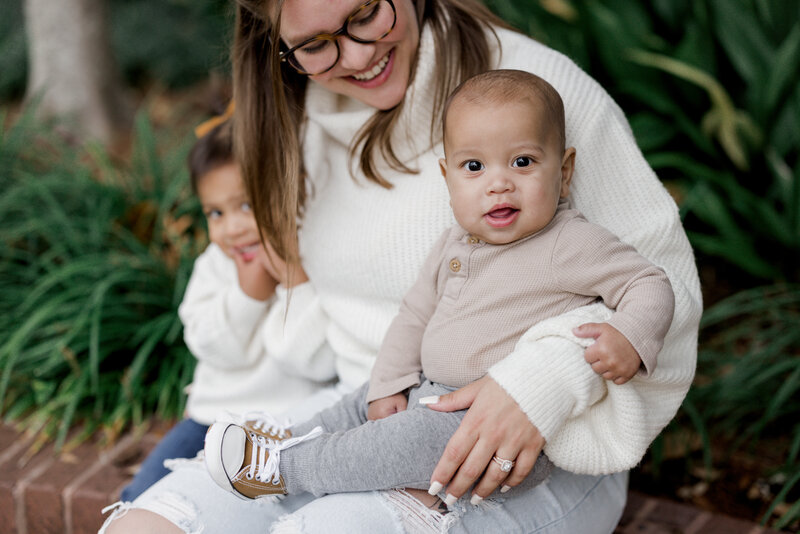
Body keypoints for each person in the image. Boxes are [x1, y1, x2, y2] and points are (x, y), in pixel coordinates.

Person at [101, 0, 701, 532]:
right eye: (315, 44)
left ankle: (297, 469)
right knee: (147, 526)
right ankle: (287, 465)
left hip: (535, 443)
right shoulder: (292, 115)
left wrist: (543, 382)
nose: (357, 56)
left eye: (365, 15)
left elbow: (659, 279)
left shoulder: (533, 91)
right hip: (372, 403)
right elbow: (369, 304)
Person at [201, 69, 676, 507]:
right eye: (474, 167)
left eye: (523, 161)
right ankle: (285, 441)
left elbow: (648, 281)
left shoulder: (569, 241)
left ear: (564, 171)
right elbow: (414, 315)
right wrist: (388, 385)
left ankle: (286, 469)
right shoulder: (454, 242)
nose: (499, 184)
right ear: (447, 177)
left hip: (492, 430)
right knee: (358, 402)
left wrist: (631, 334)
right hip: (432, 391)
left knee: (399, 443)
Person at [118, 119, 337, 502]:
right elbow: (210, 344)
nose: (232, 228)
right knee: (140, 495)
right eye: (215, 213)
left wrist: (294, 283)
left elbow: (318, 362)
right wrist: (247, 297)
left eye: (246, 206)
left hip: (287, 424)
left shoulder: (310, 259)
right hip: (210, 418)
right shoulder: (215, 265)